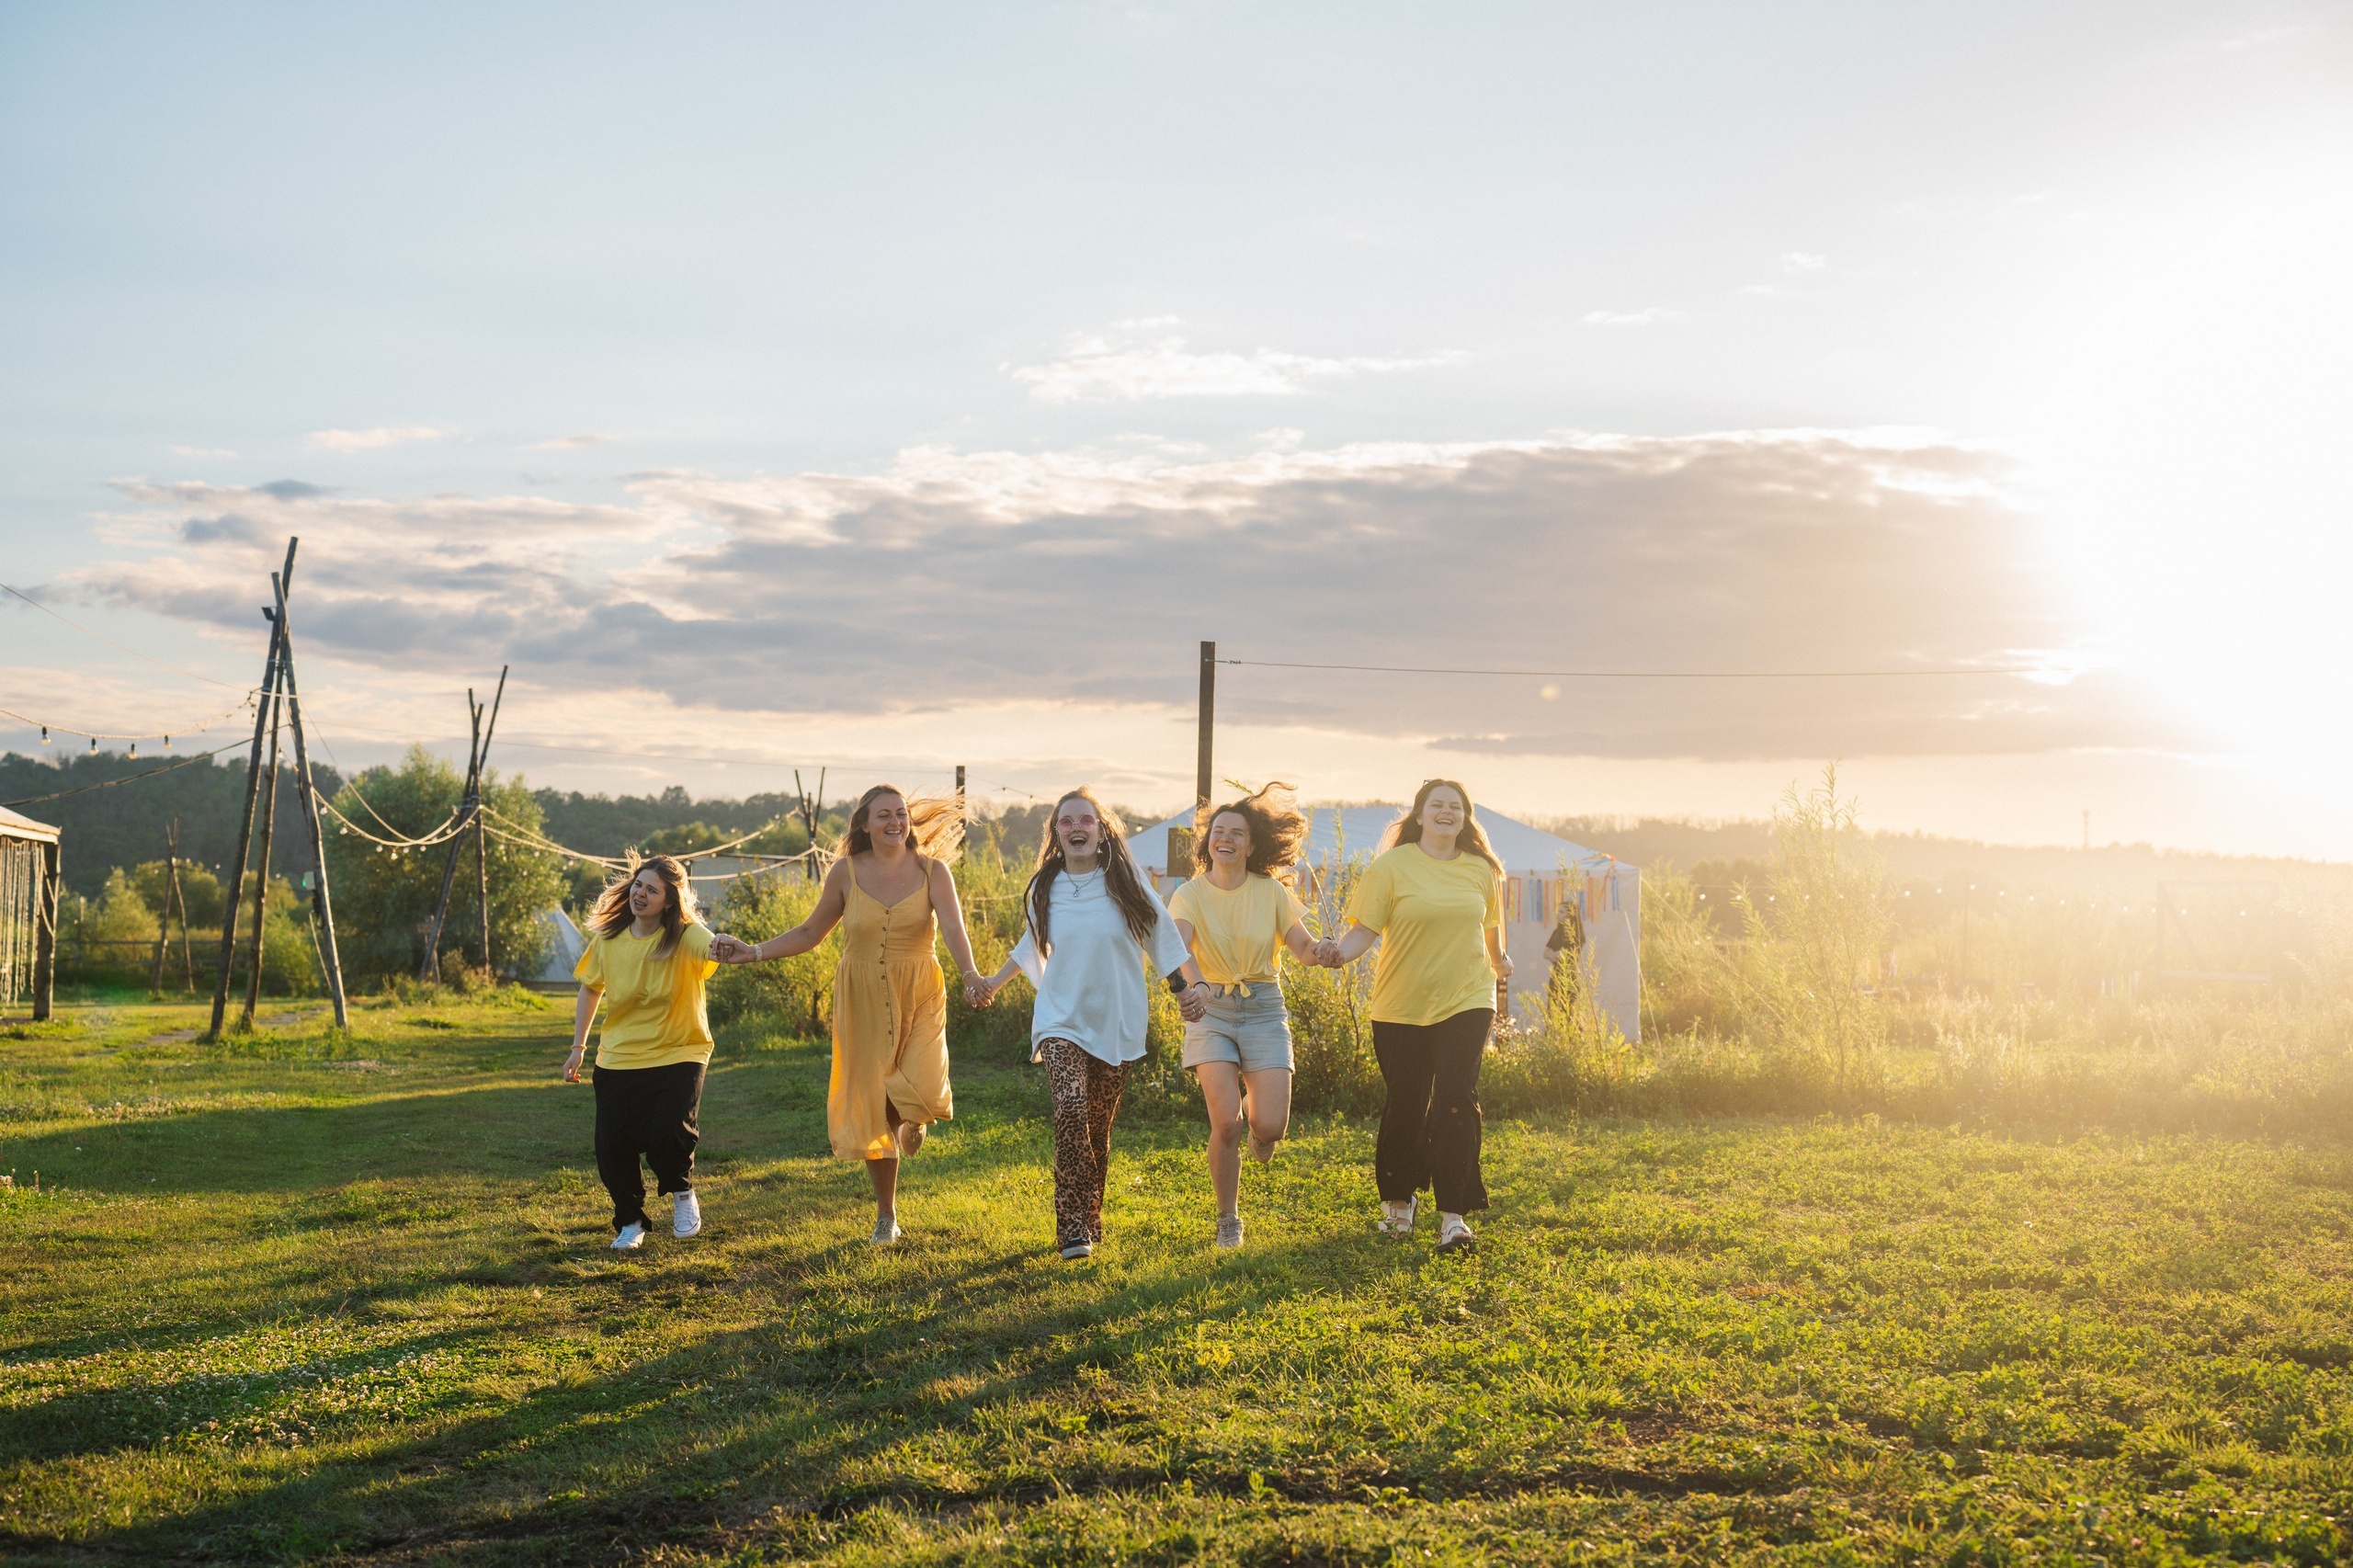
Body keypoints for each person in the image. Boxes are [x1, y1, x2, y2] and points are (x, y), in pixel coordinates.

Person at [710, 785, 984, 1245]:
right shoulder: (845, 873)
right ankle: (886, 1215)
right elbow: (810, 932)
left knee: (919, 1084)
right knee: (875, 1105)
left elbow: (954, 929)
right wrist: (752, 952)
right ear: (865, 824)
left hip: (918, 992)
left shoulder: (932, 871)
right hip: (862, 998)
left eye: (901, 814)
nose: (895, 822)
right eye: (884, 815)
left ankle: (915, 1116)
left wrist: (971, 974)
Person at [973, 788, 1210, 1260]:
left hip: (1116, 1019)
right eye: (1067, 821)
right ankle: (1072, 1227)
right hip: (1060, 1018)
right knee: (1071, 1108)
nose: (1076, 828)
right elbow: (1030, 944)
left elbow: (1160, 934)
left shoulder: (1125, 881)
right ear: (1056, 832)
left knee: (1097, 1130)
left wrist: (1183, 989)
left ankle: (1090, 1214)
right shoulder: (1045, 887)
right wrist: (994, 983)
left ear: (1102, 832)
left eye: (1086, 820)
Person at [1318, 779, 1510, 1256]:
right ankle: (1400, 1202)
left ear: (1465, 818)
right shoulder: (1390, 867)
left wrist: (1500, 961)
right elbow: (1364, 930)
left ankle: (1453, 1218)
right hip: (1400, 1005)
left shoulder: (1482, 870)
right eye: (1436, 805)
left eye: (1455, 806)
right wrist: (1339, 953)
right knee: (1406, 1101)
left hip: (1468, 997)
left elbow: (1490, 931)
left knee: (1454, 1098)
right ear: (1419, 815)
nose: (1446, 812)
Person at [1165, 781, 1327, 1250]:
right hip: (1210, 1009)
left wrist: (1324, 951)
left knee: (1269, 1126)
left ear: (1251, 846)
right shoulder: (1189, 894)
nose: (1226, 838)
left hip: (1263, 1007)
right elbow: (1179, 947)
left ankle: (1260, 1132)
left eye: (1237, 833)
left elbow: (1303, 948)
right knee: (1226, 1124)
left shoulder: (1270, 892)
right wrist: (1195, 986)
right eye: (1219, 831)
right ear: (1208, 841)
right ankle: (1228, 1219)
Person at [565, 854, 722, 1251]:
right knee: (613, 1145)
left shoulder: (686, 935)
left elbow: (710, 946)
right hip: (619, 1056)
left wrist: (726, 947)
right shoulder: (609, 938)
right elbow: (591, 988)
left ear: (669, 901)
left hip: (680, 1050)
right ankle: (630, 1220)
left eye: (653, 890)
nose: (641, 894)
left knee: (670, 1131)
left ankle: (682, 1193)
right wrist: (578, 1047)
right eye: (639, 885)